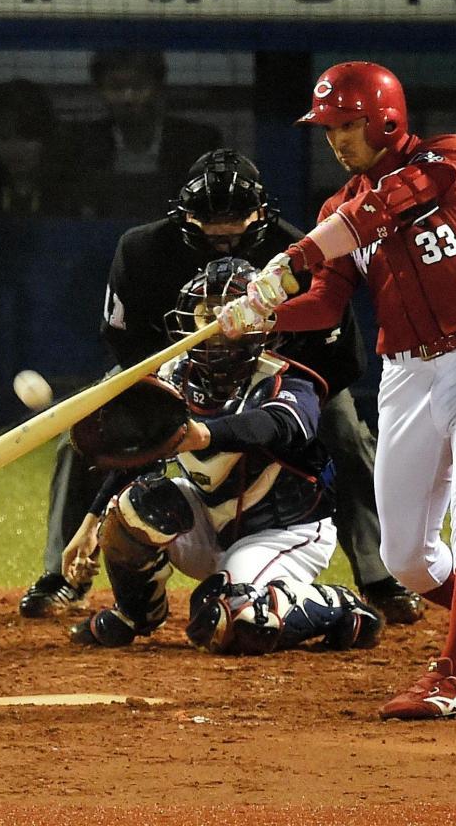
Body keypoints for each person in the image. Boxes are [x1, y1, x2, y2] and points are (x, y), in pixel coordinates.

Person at [216, 62, 456, 720]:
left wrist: (294, 257)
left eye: (347, 124)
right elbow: (326, 306)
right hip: (408, 377)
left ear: (386, 116)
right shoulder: (337, 211)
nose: (335, 139)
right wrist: (259, 316)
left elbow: (386, 205)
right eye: (327, 128)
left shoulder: (451, 159)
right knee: (406, 558)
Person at [18, 149, 423, 625]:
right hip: (171, 369)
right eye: (210, 223)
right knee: (84, 435)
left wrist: (281, 393)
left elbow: (335, 354)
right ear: (185, 216)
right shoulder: (143, 249)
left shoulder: (297, 250)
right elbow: (127, 344)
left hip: (280, 373)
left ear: (260, 214)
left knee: (349, 437)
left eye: (236, 222)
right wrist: (165, 394)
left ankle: (378, 575)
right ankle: (65, 574)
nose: (223, 234)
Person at [61, 257, 384, 656]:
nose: (216, 324)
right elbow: (142, 451)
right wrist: (91, 523)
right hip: (212, 523)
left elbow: (280, 425)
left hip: (283, 532)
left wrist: (205, 435)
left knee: (232, 621)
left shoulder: (288, 378)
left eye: (228, 310)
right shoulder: (175, 375)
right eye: (205, 312)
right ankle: (135, 614)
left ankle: (337, 605)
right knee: (134, 506)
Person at [65, 49, 222, 220]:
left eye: (139, 86)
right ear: (100, 90)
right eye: (116, 88)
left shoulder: (196, 141)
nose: (128, 97)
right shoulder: (80, 143)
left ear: (158, 87)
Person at [0, 79, 75, 216]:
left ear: (46, 139)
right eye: (4, 138)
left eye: (26, 138)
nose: (14, 149)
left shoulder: (69, 196)